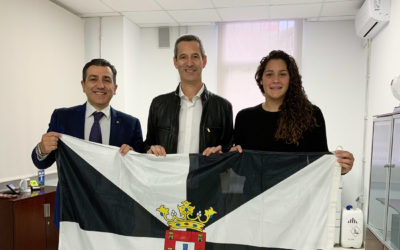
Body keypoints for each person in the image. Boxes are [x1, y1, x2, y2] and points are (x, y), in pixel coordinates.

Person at [31, 58, 144, 228]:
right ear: (83, 85)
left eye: (106, 80)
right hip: (71, 213)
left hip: (114, 217)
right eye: (93, 79)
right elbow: (41, 161)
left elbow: (139, 171)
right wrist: (42, 148)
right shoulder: (62, 118)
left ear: (115, 88)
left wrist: (133, 156)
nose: (100, 85)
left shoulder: (131, 124)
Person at [231, 50, 353, 174]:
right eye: (269, 74)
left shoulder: (311, 115)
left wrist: (341, 167)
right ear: (261, 80)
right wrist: (231, 158)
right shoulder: (245, 118)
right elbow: (240, 169)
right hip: (256, 193)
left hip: (298, 193)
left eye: (282, 74)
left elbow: (320, 164)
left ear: (291, 79)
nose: (276, 80)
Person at [144, 34, 233, 156]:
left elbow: (228, 152)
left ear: (204, 61)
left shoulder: (223, 107)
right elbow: (148, 145)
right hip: (168, 175)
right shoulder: (158, 104)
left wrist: (220, 155)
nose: (189, 63)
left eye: (195, 56)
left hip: (206, 175)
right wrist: (150, 150)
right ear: (175, 62)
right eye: (183, 57)